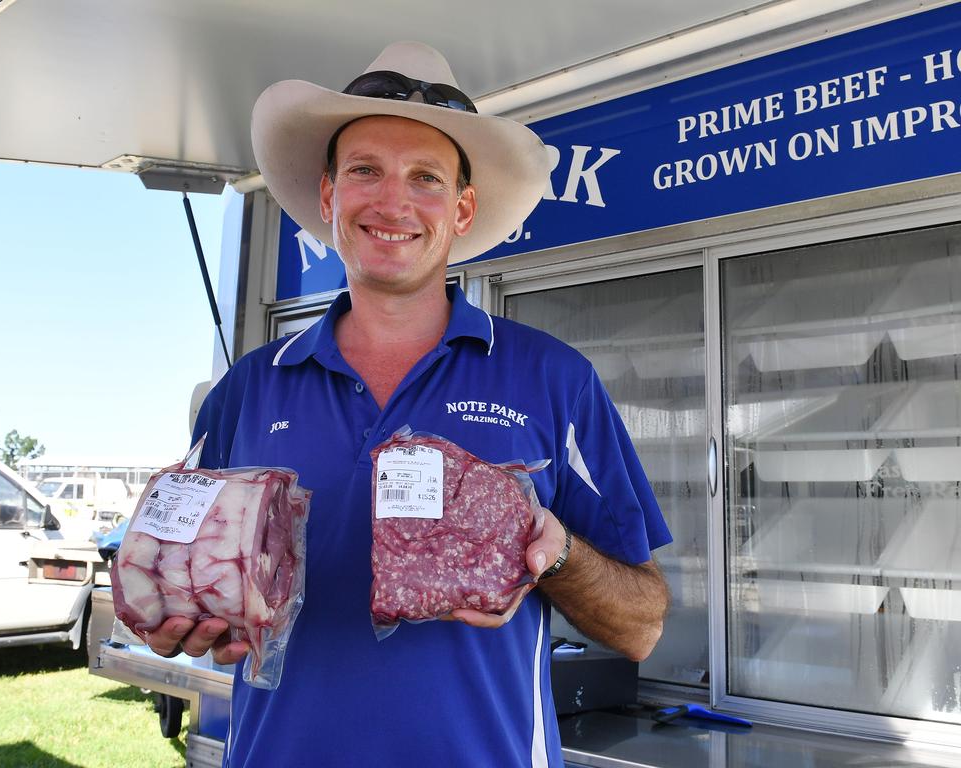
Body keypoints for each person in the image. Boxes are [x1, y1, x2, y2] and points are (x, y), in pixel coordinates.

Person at [146, 41, 671, 767]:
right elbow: (181, 574)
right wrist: (179, 613)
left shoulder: (555, 380)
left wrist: (556, 555)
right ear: (329, 198)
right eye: (365, 170)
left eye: (425, 178)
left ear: (461, 211)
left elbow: (643, 624)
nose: (392, 202)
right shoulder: (247, 390)